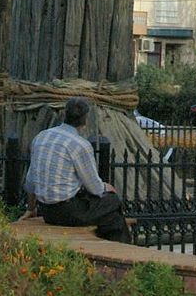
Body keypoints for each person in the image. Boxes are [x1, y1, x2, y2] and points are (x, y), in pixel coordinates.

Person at [24, 97, 132, 243]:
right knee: (112, 201)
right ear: (85, 119)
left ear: (65, 114)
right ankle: (121, 246)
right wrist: (107, 187)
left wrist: (31, 209)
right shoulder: (80, 145)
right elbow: (94, 187)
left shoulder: (41, 137)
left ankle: (116, 243)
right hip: (68, 211)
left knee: (111, 217)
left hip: (47, 211)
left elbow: (30, 181)